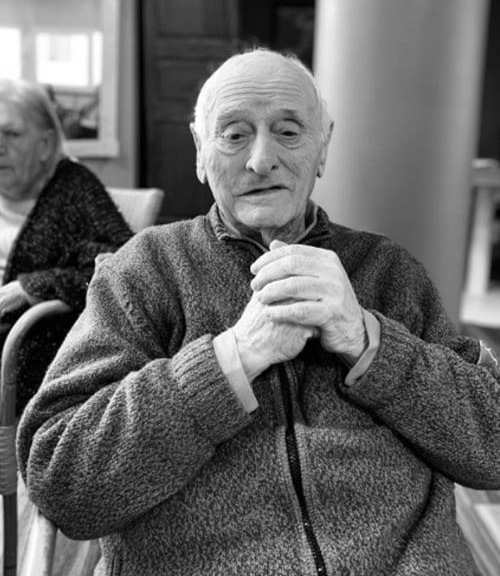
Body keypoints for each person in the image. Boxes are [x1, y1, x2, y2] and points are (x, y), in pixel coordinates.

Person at [17, 49, 500, 576]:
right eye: (234, 134)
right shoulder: (145, 271)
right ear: (201, 153)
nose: (261, 159)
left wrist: (368, 340)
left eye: (289, 132)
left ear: (323, 148)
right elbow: (63, 481)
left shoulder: (388, 270)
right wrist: (232, 359)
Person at [0, 78, 132, 409]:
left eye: (12, 134)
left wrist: (34, 286)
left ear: (45, 144)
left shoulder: (73, 190)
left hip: (27, 355)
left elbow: (124, 266)